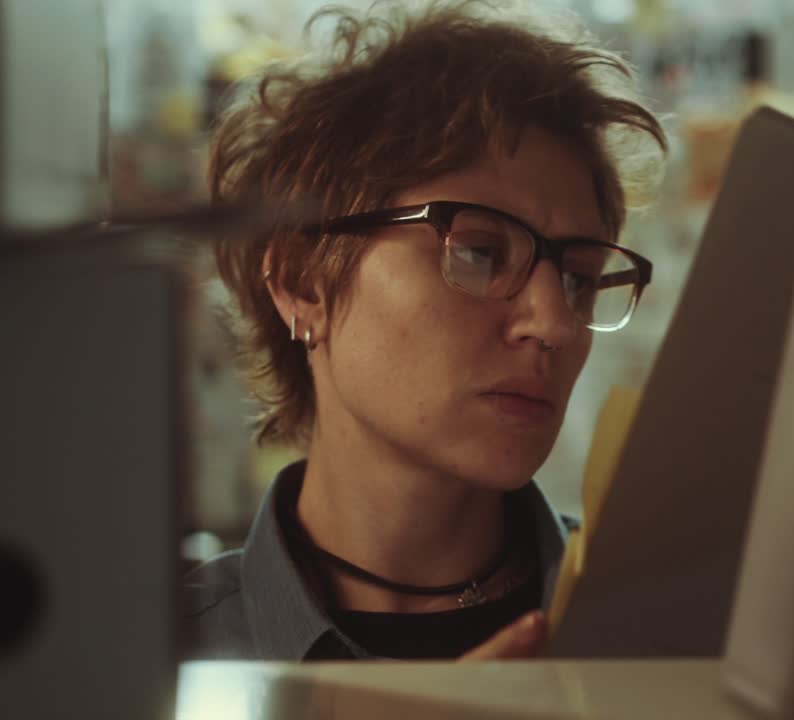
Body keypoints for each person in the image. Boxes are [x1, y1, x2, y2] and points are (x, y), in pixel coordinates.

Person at [184, 0, 667, 660]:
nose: (554, 322)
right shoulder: (153, 660)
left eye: (579, 278)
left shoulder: (662, 638)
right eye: (477, 252)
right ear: (303, 282)